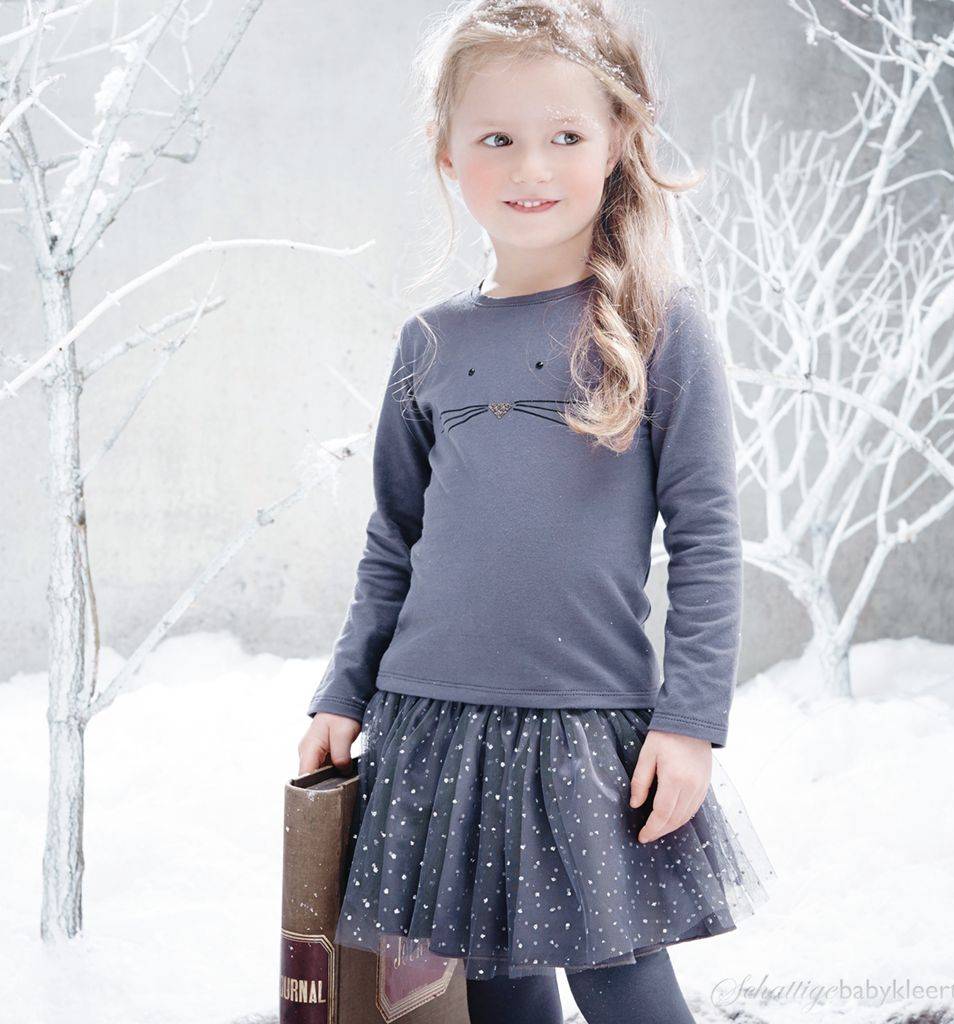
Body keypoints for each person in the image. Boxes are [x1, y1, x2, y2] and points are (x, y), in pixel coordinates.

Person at [297, 2, 774, 1020]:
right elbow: (395, 538)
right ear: (447, 153)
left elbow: (704, 537)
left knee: (622, 980)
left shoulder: (658, 327)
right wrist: (344, 690)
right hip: (431, 726)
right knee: (497, 991)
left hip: (581, 731)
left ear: (617, 141)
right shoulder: (429, 341)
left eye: (564, 136)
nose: (530, 167)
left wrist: (690, 722)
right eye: (496, 139)